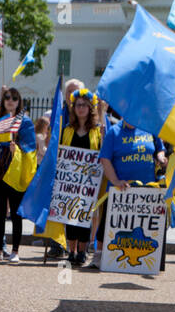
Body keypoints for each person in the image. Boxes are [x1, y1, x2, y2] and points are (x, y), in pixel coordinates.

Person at [95, 116, 167, 269]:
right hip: (120, 189)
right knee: (108, 223)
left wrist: (161, 156)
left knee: (144, 226)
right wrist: (115, 181)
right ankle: (99, 256)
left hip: (148, 190)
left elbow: (159, 148)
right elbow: (105, 159)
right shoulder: (114, 132)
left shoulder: (149, 127)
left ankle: (148, 262)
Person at [0, 86, 35, 264]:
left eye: (14, 98)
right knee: (0, 212)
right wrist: (0, 148)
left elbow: (31, 146)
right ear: (3, 101)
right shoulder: (0, 121)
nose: (10, 100)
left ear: (19, 102)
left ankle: (15, 250)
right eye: (7, 97)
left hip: (16, 172)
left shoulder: (25, 122)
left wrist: (17, 147)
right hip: (1, 172)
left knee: (16, 213)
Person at [59, 87, 103, 267]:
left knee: (84, 216)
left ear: (90, 108)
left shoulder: (96, 131)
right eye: (78, 105)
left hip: (88, 181)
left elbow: (101, 152)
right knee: (70, 214)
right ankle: (71, 250)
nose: (81, 108)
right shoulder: (67, 130)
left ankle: (83, 251)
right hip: (70, 180)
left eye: (84, 105)